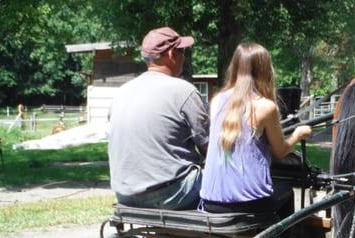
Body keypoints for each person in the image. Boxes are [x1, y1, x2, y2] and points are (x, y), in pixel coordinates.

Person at [199, 43, 311, 214]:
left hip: (210, 202)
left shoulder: (217, 101)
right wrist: (297, 135)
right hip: (247, 205)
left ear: (235, 68)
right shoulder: (265, 107)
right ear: (265, 70)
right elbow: (280, 152)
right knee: (286, 191)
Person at [108, 27, 209, 210]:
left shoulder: (122, 92)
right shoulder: (183, 91)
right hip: (173, 194)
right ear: (171, 54)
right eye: (182, 51)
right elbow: (209, 148)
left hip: (125, 195)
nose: (184, 57)